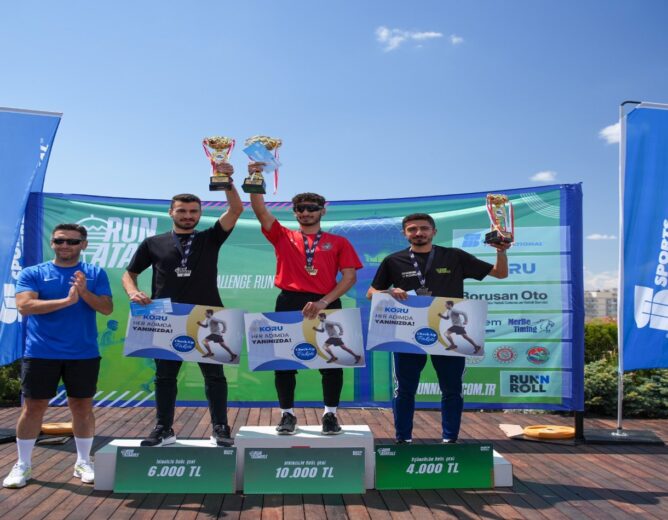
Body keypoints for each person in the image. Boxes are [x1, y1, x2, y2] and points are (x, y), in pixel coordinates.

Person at [122, 171, 243, 448]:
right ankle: (163, 428)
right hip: (165, 317)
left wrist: (226, 180)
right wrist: (132, 291)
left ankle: (220, 428)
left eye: (193, 211)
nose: (188, 216)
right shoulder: (153, 243)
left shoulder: (211, 237)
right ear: (171, 212)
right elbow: (129, 273)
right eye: (182, 211)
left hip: (207, 314)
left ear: (200, 213)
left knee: (214, 377)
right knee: (165, 377)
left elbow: (236, 209)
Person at [367, 213, 510, 444]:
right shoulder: (393, 260)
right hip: (408, 334)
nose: (418, 233)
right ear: (404, 234)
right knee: (404, 390)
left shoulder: (454, 256)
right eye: (412, 229)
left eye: (424, 228)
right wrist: (389, 291)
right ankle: (403, 440)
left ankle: (450, 440)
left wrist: (501, 251)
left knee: (452, 389)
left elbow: (500, 273)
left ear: (434, 231)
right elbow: (371, 293)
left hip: (447, 332)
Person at [249, 166, 362, 435]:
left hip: (327, 303)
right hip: (289, 301)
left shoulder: (338, 242)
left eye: (312, 208)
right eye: (300, 208)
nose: (306, 212)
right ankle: (287, 415)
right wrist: (255, 178)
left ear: (323, 211)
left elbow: (349, 278)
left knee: (332, 361)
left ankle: (330, 415)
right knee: (284, 362)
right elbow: (260, 210)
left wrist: (324, 302)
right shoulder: (282, 235)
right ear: (295, 212)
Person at [3, 224, 113, 489]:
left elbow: (107, 308)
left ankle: (83, 462)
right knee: (33, 408)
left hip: (83, 353)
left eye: (73, 241)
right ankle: (23, 464)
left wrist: (84, 293)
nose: (65, 245)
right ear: (52, 243)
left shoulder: (95, 273)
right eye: (60, 240)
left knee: (82, 407)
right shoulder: (33, 273)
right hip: (41, 352)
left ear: (83, 245)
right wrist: (66, 301)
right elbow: (24, 306)